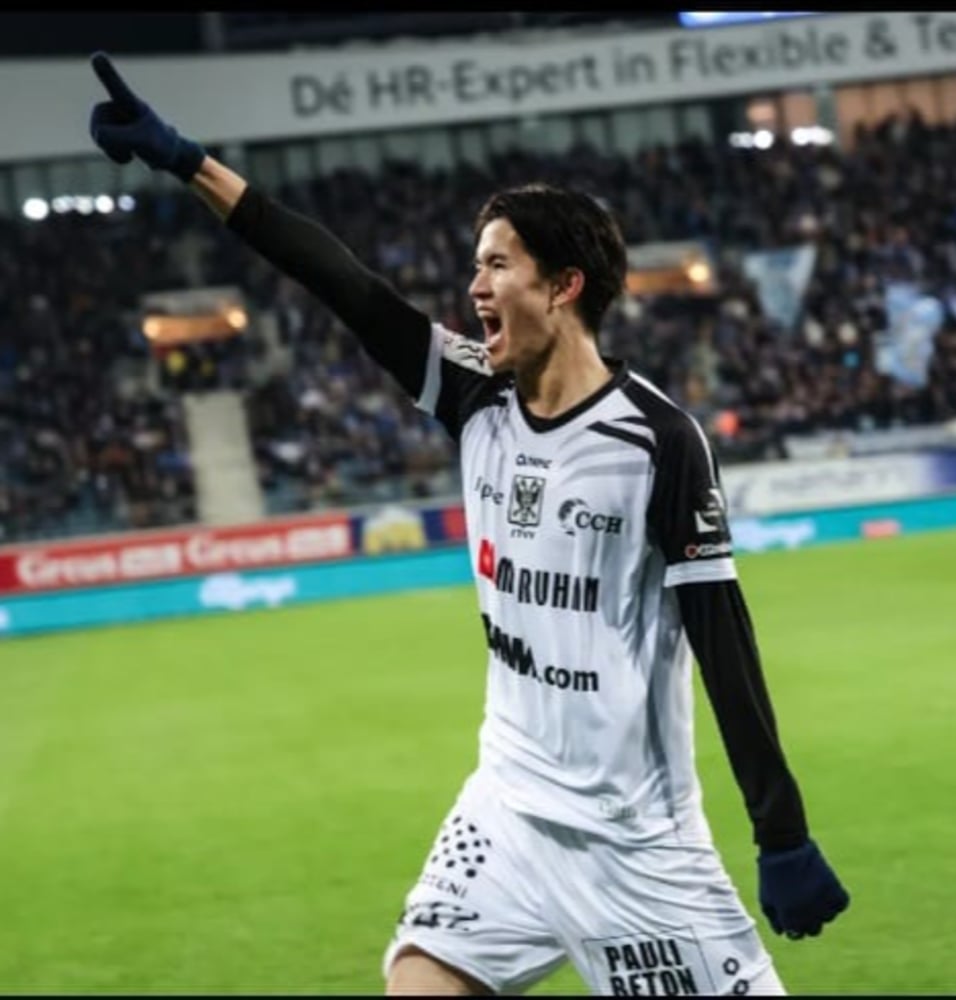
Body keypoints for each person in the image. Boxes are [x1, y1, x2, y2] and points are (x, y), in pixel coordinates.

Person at [88, 52, 850, 996]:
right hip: (507, 811)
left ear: (563, 285)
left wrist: (781, 832)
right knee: (418, 983)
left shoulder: (657, 442)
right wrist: (187, 161)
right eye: (474, 267)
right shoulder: (473, 393)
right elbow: (340, 281)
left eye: (497, 265)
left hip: (633, 844)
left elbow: (723, 641)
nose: (475, 288)